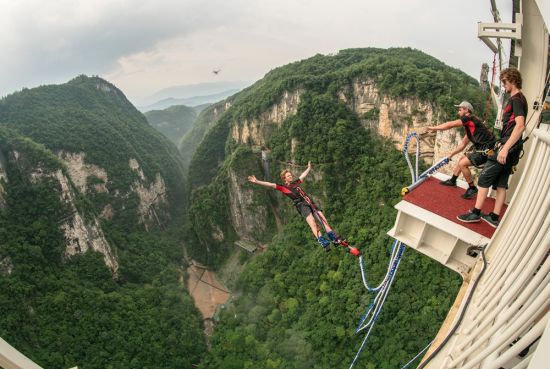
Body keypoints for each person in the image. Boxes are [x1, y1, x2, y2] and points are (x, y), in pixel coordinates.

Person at [458, 68, 527, 227]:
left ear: (512, 80)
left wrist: (504, 148)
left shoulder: (516, 99)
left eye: (504, 81)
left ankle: (475, 213)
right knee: (501, 184)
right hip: (513, 149)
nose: (503, 85)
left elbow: (520, 125)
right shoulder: (522, 99)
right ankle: (494, 217)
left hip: (507, 147)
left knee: (483, 179)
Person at [247, 161, 338, 251]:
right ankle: (324, 243)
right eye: (288, 176)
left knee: (323, 219)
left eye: (290, 175)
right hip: (302, 206)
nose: (290, 176)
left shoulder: (296, 183)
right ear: (284, 178)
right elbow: (270, 184)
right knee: (313, 224)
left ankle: (334, 238)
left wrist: (309, 168)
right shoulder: (283, 188)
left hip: (309, 202)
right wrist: (257, 181)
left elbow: (303, 175)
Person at [427, 101, 495, 199]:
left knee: (463, 164)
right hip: (483, 148)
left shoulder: (469, 118)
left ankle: (472, 188)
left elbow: (450, 124)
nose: (458, 112)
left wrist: (433, 128)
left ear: (466, 110)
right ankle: (453, 180)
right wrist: (452, 154)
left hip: (487, 150)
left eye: (460, 110)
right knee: (463, 157)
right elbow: (463, 144)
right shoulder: (471, 126)